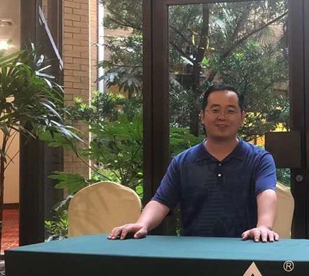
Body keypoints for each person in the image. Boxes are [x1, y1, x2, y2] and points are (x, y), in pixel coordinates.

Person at [109, 85, 280, 242]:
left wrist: (264, 226)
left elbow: (266, 193)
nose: (222, 117)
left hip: (245, 250)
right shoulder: (183, 162)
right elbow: (161, 201)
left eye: (230, 111)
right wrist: (142, 224)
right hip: (193, 252)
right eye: (215, 110)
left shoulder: (259, 159)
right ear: (202, 117)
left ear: (242, 117)